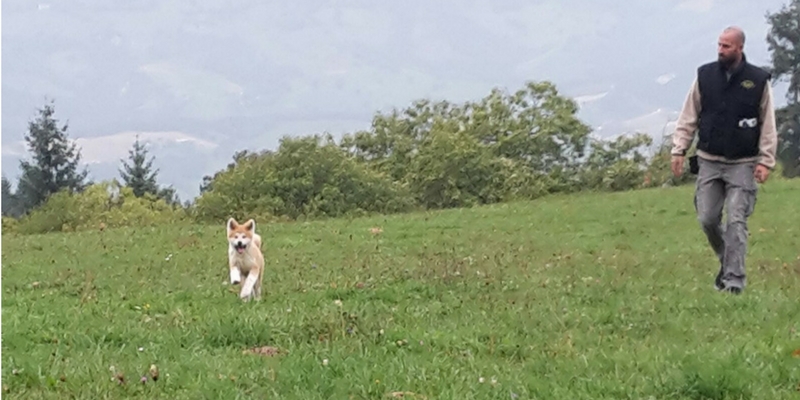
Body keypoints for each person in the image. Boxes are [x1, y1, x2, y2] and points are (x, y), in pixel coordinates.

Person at [670, 26, 778, 294]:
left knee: (736, 221)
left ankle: (734, 281)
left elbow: (768, 124)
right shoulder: (705, 76)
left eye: (726, 46)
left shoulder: (758, 80)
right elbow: (689, 114)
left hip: (743, 162)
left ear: (739, 48)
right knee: (707, 218)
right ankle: (726, 260)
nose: (720, 50)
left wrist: (766, 160)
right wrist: (678, 149)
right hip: (708, 159)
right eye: (719, 45)